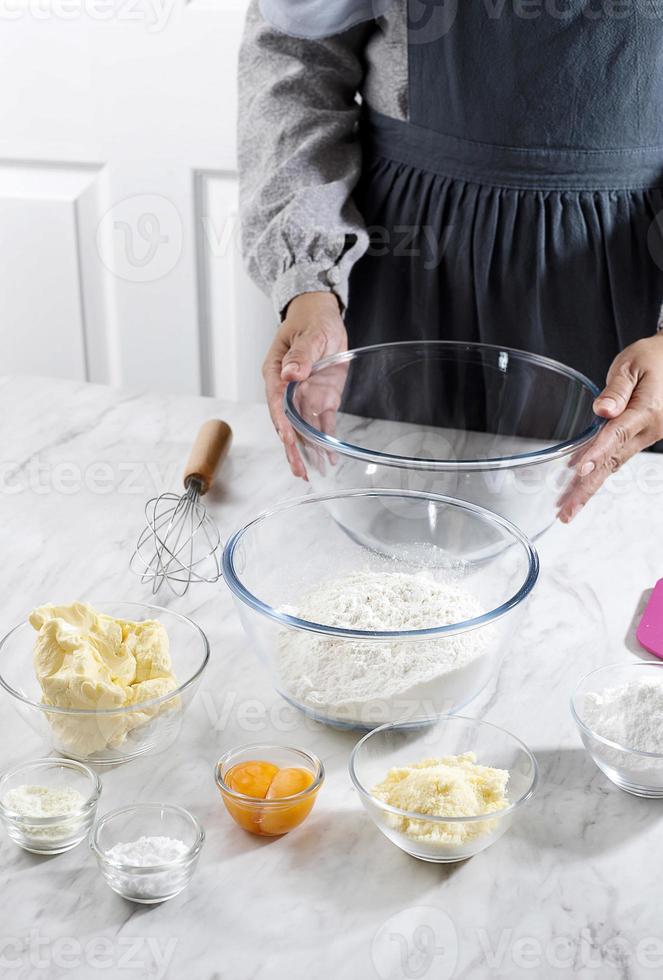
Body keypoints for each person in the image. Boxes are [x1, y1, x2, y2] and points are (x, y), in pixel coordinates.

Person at [237, 0, 663, 520]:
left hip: (625, 297)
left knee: (597, 564)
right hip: (397, 277)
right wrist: (310, 282)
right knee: (394, 540)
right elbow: (297, 56)